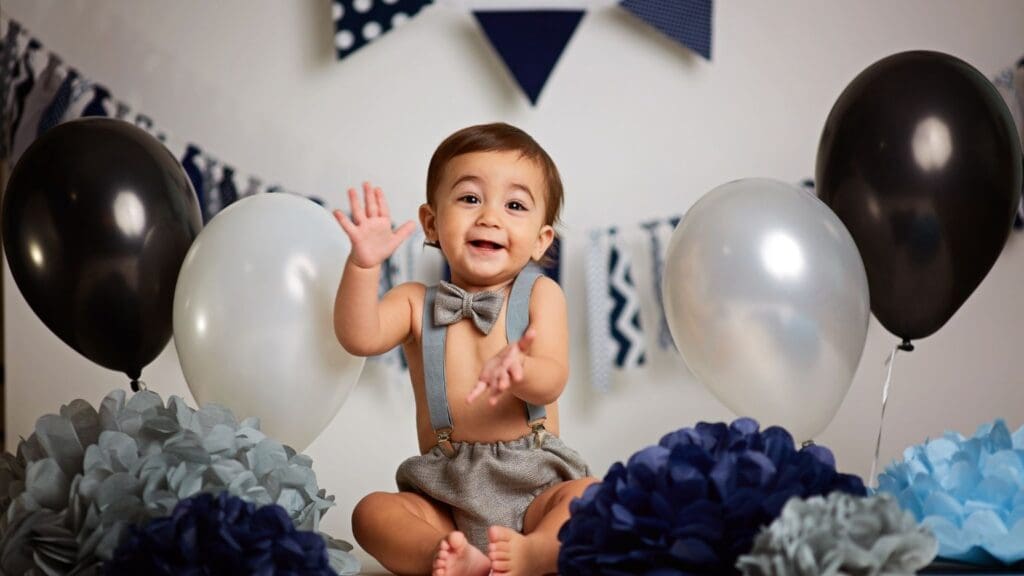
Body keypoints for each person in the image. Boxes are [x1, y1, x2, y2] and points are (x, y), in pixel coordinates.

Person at [333, 123, 596, 576]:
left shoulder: (541, 295)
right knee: (371, 512)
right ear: (432, 222)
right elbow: (360, 335)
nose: (490, 217)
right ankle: (446, 555)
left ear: (541, 239)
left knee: (591, 497)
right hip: (446, 493)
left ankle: (533, 554)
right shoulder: (416, 302)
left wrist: (522, 370)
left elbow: (553, 376)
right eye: (470, 198)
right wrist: (363, 265)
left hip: (534, 485)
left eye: (515, 205)